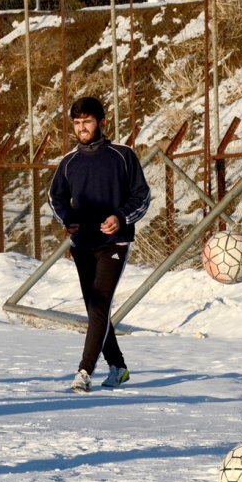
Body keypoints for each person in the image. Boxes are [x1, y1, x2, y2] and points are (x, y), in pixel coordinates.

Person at [48, 96, 151, 393]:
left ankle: (84, 371)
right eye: (77, 123)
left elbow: (141, 196)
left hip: (114, 243)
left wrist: (120, 217)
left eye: (87, 122)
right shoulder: (69, 162)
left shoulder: (122, 155)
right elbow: (55, 197)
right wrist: (67, 217)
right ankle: (117, 367)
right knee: (96, 310)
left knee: (99, 304)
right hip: (82, 244)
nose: (81, 128)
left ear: (102, 122)